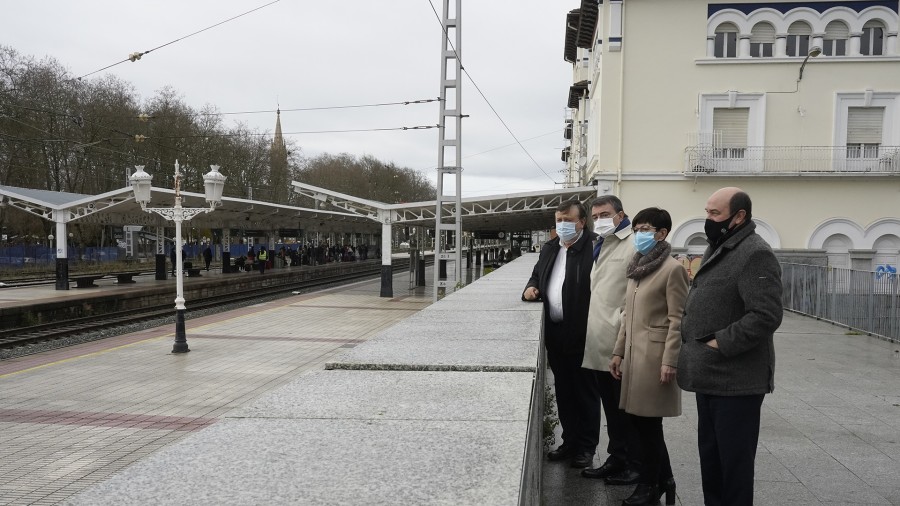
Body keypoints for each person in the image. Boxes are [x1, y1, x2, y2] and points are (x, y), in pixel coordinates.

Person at [677, 187, 783, 506]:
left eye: (714, 214)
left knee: (733, 470)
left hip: (736, 381)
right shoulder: (721, 245)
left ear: (739, 216)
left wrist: (718, 342)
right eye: (706, 212)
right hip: (711, 376)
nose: (707, 220)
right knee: (713, 464)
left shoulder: (755, 253)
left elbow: (766, 315)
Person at [609, 207, 688, 505]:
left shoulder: (673, 269)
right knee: (640, 424)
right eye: (637, 228)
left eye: (645, 229)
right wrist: (618, 351)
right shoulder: (637, 268)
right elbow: (628, 315)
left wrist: (670, 360)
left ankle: (649, 486)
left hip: (654, 359)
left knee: (649, 426)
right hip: (634, 357)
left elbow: (678, 320)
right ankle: (664, 479)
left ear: (662, 234)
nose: (639, 234)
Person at [522, 199, 598, 468]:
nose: (562, 225)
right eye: (559, 220)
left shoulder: (594, 247)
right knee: (564, 392)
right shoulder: (551, 247)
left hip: (583, 334)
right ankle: (570, 441)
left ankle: (587, 447)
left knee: (585, 394)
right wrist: (531, 289)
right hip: (556, 334)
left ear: (581, 222)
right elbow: (536, 275)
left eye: (568, 220)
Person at [580, 196, 643, 486]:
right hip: (599, 341)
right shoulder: (603, 242)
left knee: (626, 409)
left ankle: (634, 463)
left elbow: (639, 294)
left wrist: (621, 325)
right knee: (611, 406)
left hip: (620, 342)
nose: (599, 219)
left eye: (605, 214)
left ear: (621, 214)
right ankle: (617, 456)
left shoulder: (634, 244)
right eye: (595, 215)